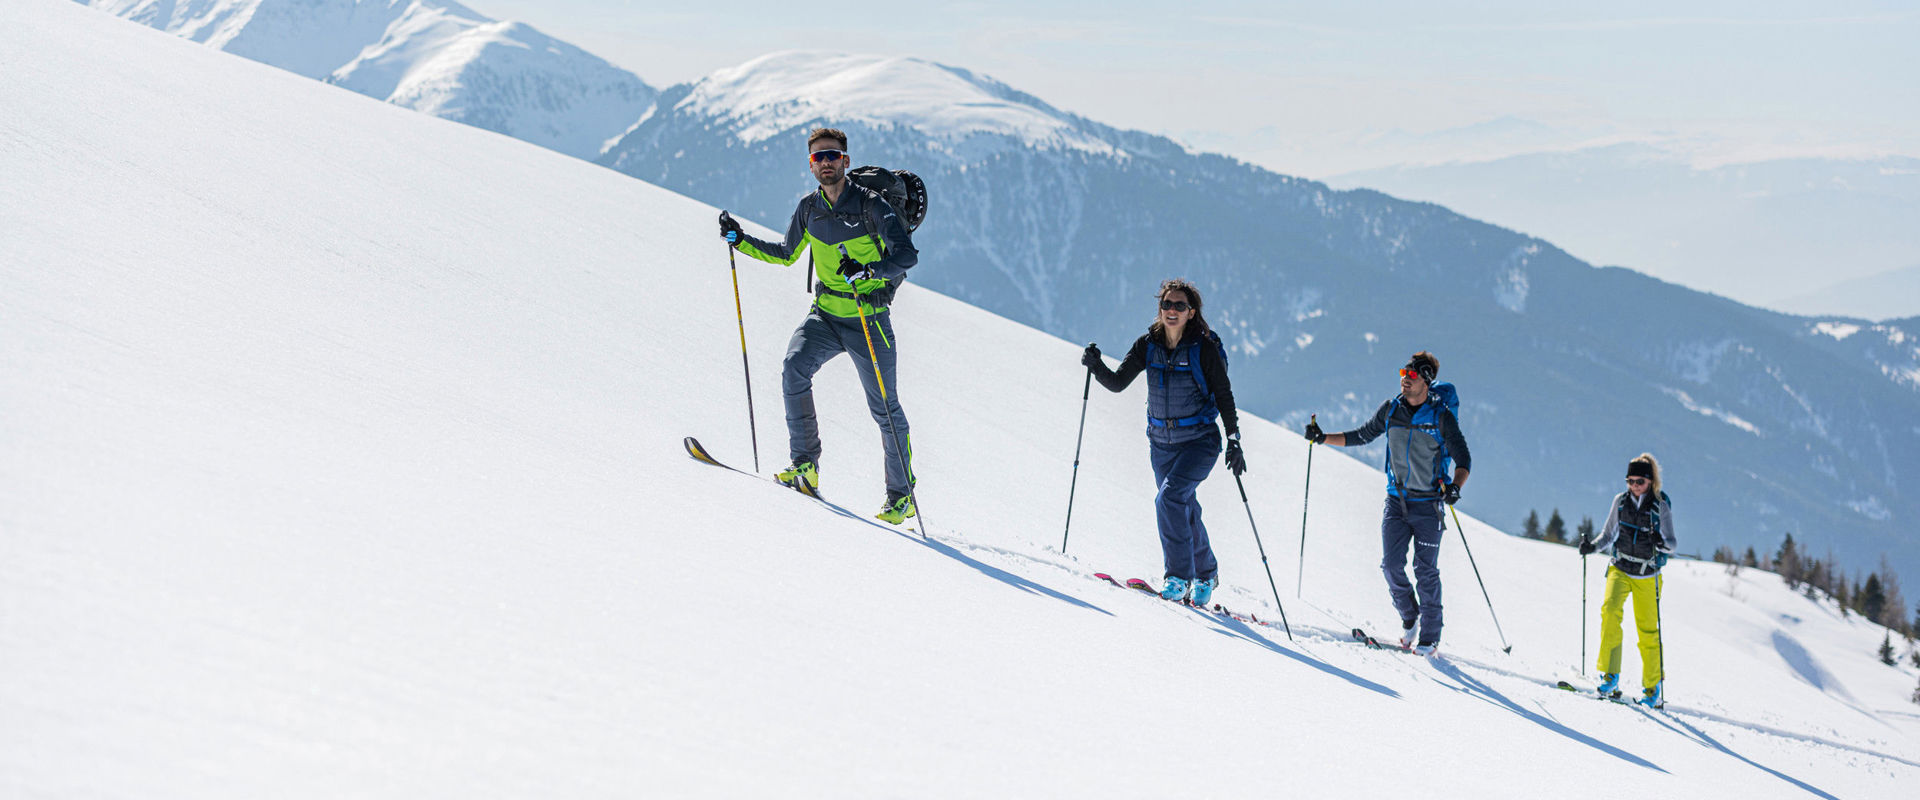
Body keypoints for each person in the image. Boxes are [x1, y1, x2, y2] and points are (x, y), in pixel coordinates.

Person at [718, 127, 920, 524]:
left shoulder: (872, 206)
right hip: (825, 314)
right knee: (794, 368)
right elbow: (785, 253)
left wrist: (869, 271)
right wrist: (739, 240)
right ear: (811, 165)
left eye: (832, 155)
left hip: (869, 319)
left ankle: (901, 496)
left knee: (884, 409)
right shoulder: (809, 208)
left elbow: (907, 256)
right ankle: (804, 463)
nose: (825, 162)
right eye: (817, 157)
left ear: (845, 160)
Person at [1081, 279, 1245, 605]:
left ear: (1191, 312)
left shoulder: (1204, 348)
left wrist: (1233, 438)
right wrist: (1096, 366)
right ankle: (1207, 573)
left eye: (1179, 306)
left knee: (1168, 500)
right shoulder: (1148, 344)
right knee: (1183, 507)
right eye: (1167, 305)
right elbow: (1117, 383)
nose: (1171, 310)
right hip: (1161, 443)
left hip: (1200, 441)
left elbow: (1224, 395)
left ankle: (1178, 577)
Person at [1304, 351, 1470, 655]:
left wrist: (1455, 488)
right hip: (1396, 502)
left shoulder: (1440, 417)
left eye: (1412, 376)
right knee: (1391, 566)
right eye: (1402, 374)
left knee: (1425, 571)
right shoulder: (1391, 410)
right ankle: (1411, 618)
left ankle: (1430, 638)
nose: (1405, 381)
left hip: (1428, 505)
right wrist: (1322, 437)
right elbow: (1363, 435)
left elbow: (1463, 459)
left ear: (1426, 381)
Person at [1579, 453, 1674, 707]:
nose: (1634, 486)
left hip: (1647, 574)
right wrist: (1592, 547)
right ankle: (1610, 675)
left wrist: (1660, 543)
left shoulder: (1660, 506)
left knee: (1648, 631)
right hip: (1620, 568)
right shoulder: (1620, 502)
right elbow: (1608, 534)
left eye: (1639, 481)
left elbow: (1671, 544)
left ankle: (1652, 688)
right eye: (1630, 481)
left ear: (1650, 481)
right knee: (1609, 613)